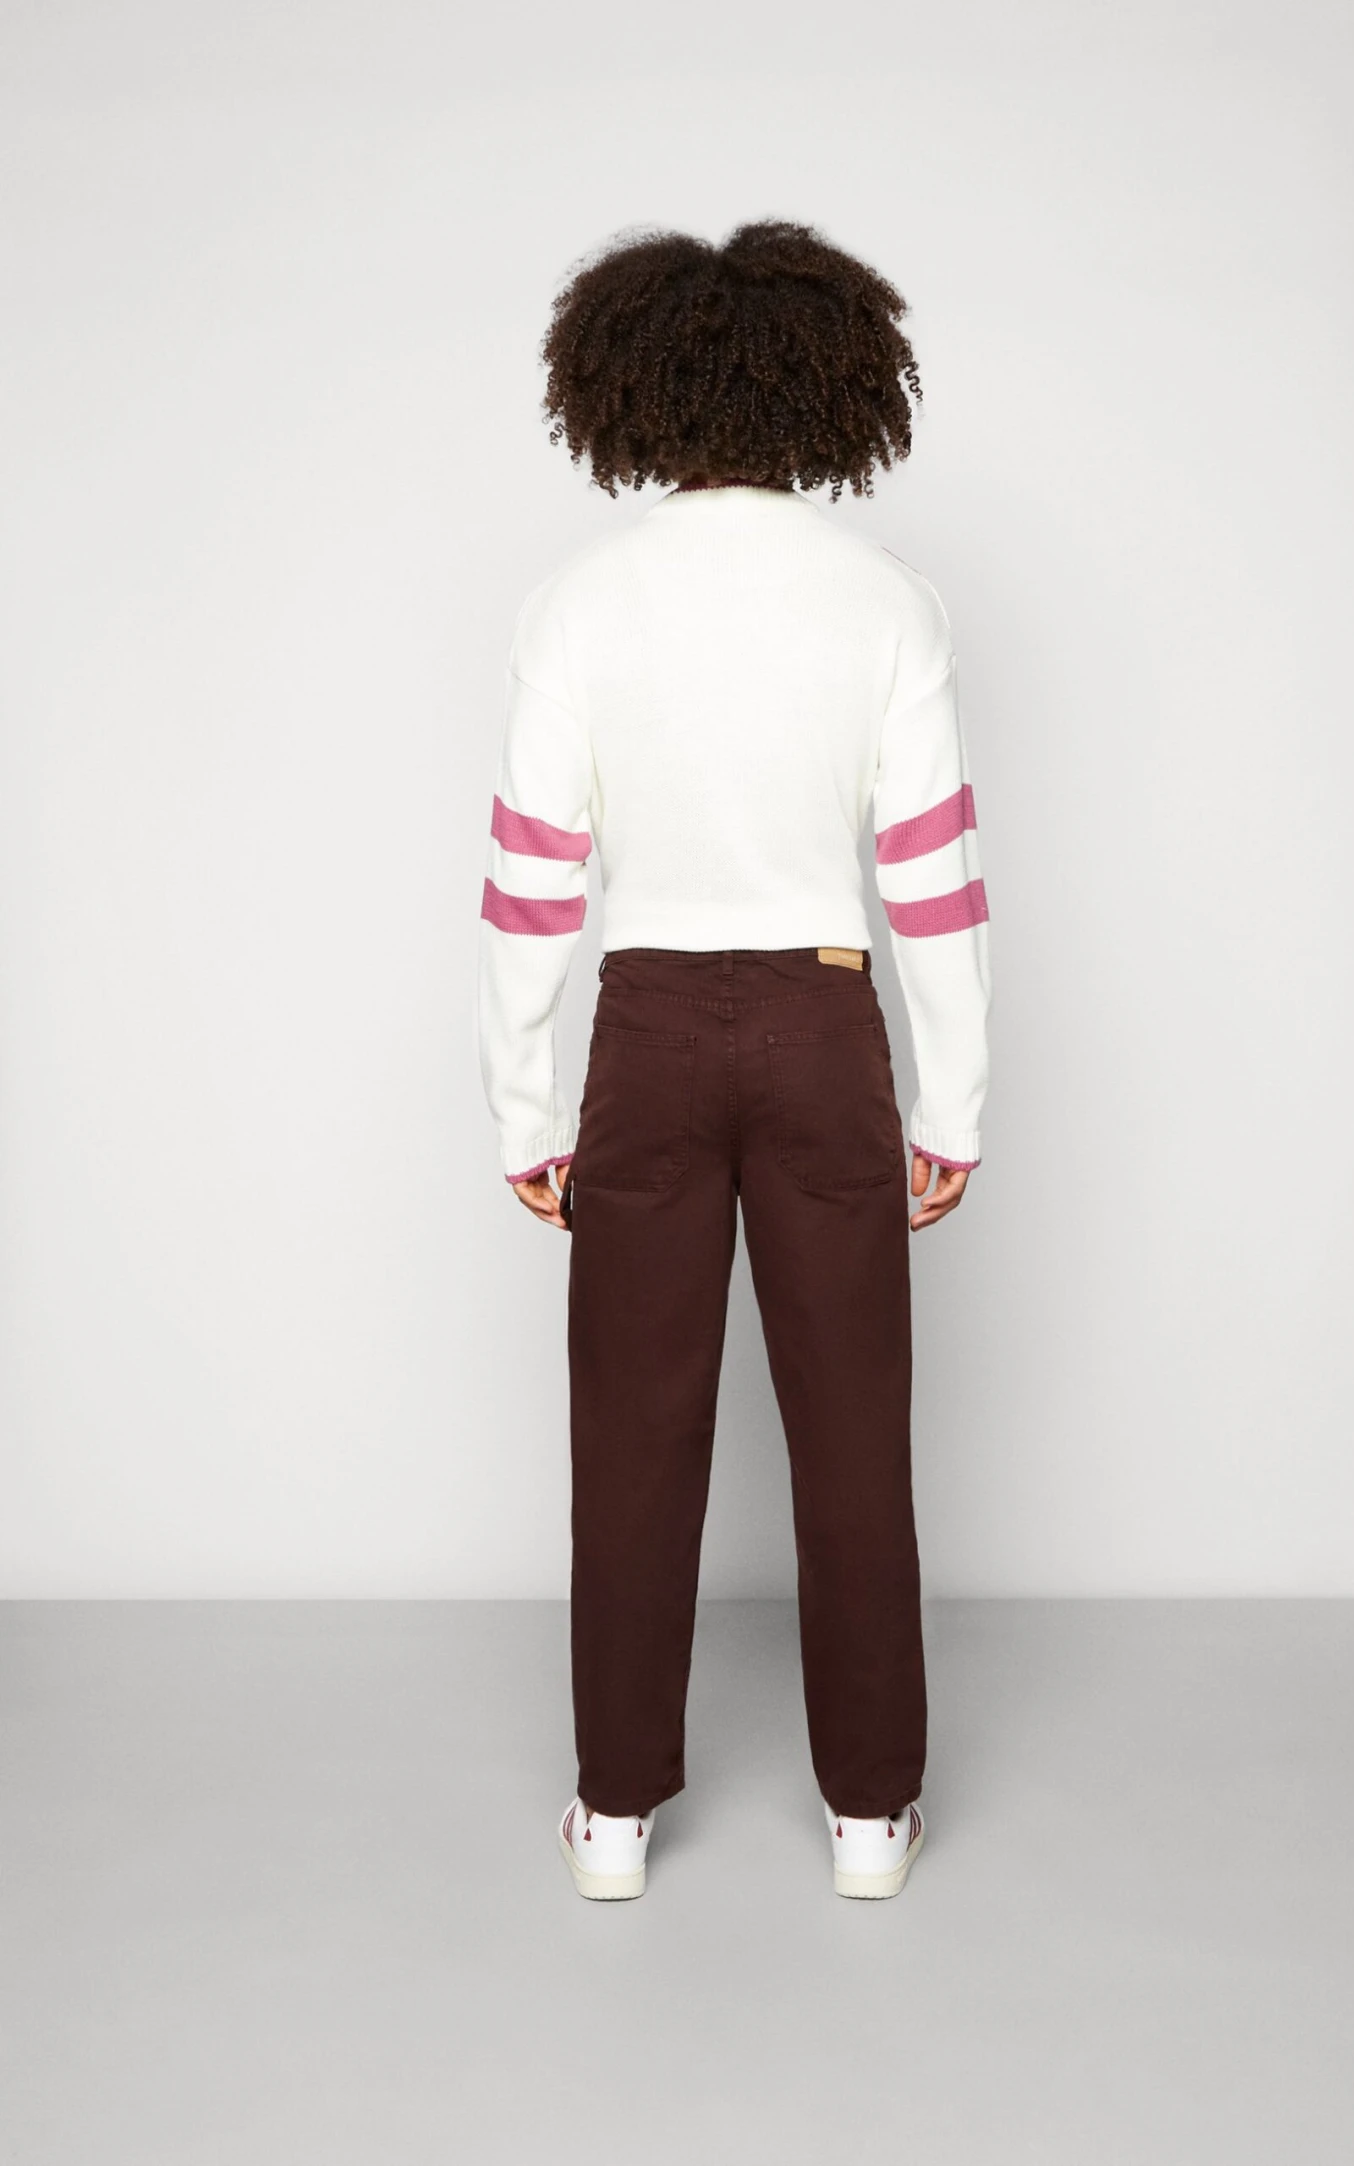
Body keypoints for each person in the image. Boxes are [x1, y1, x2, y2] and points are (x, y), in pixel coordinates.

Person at [477, 218, 991, 1902]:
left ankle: (615, 1815)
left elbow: (534, 882)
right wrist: (954, 1098)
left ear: (626, 388)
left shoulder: (576, 603)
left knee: (632, 1435)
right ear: (825, 384)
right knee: (854, 1430)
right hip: (824, 1026)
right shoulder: (887, 601)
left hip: (642, 1031)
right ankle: (871, 1815)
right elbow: (931, 879)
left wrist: (524, 1101)